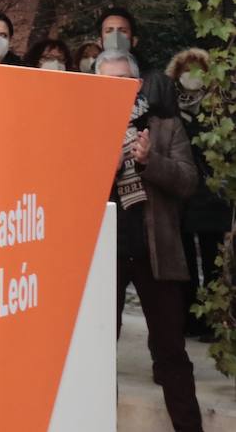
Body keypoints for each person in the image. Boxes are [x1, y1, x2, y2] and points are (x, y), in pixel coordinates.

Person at [97, 49, 203, 432]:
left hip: (155, 253)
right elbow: (62, 191)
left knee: (171, 353)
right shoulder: (82, 127)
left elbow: (189, 181)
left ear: (138, 84)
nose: (116, 91)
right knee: (99, 355)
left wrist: (149, 161)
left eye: (124, 82)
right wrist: (99, 173)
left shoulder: (165, 127)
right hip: (103, 258)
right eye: (106, 83)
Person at [167, 47, 226, 340]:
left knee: (213, 256)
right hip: (180, 192)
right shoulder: (169, 104)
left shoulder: (218, 106)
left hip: (212, 195)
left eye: (199, 69)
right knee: (186, 259)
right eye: (187, 69)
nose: (192, 76)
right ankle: (190, 316)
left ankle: (214, 319)